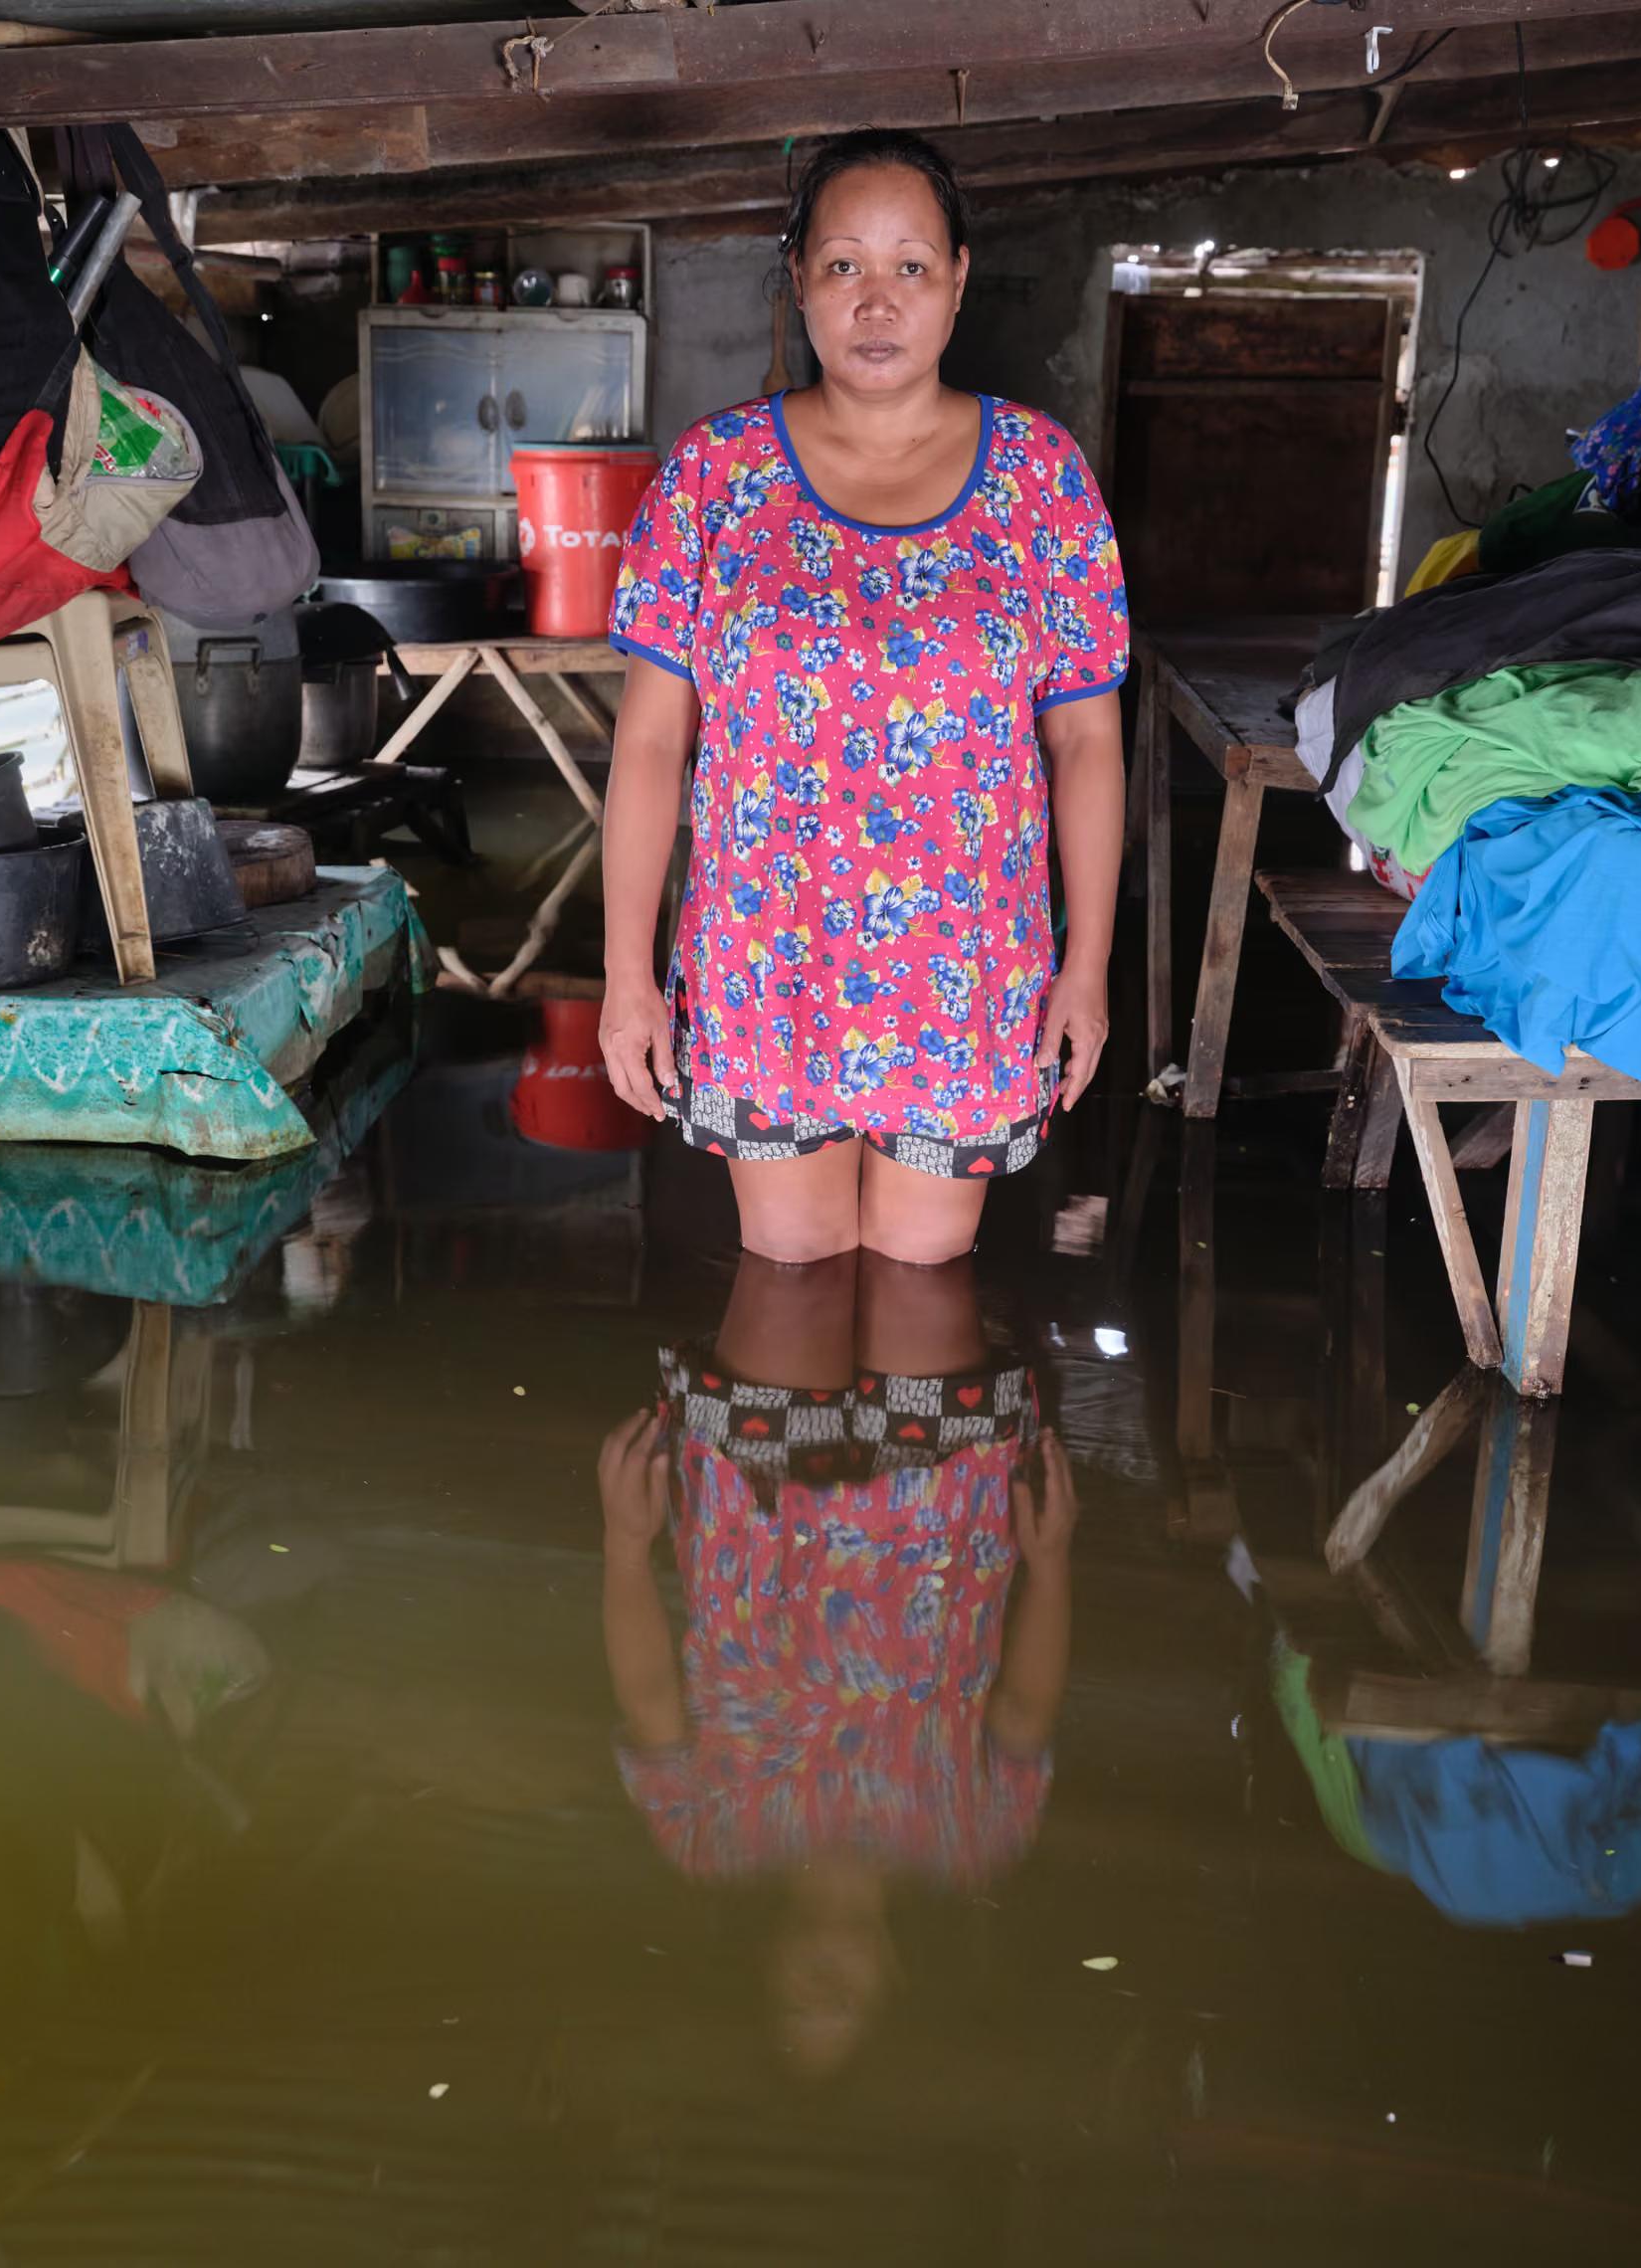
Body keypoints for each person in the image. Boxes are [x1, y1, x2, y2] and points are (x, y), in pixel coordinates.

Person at [600, 128, 1130, 1266]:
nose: (876, 302)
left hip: (967, 970)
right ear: (797, 280)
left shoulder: (1042, 479)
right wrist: (626, 977)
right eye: (844, 265)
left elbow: (1086, 741)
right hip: (763, 963)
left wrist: (1084, 967)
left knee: (923, 1308)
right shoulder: (714, 478)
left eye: (910, 267)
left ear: (957, 282)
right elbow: (650, 748)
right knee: (785, 1302)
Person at [598, 1247, 1076, 2076]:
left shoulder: (707, 1837)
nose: (820, 1991)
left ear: (764, 1972)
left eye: (796, 2006)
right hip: (941, 1501)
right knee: (920, 1265)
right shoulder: (975, 1844)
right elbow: (1026, 1713)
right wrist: (1055, 1563)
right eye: (843, 2006)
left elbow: (648, 1697)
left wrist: (624, 1547)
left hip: (755, 1494)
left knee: (795, 1265)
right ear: (891, 1977)